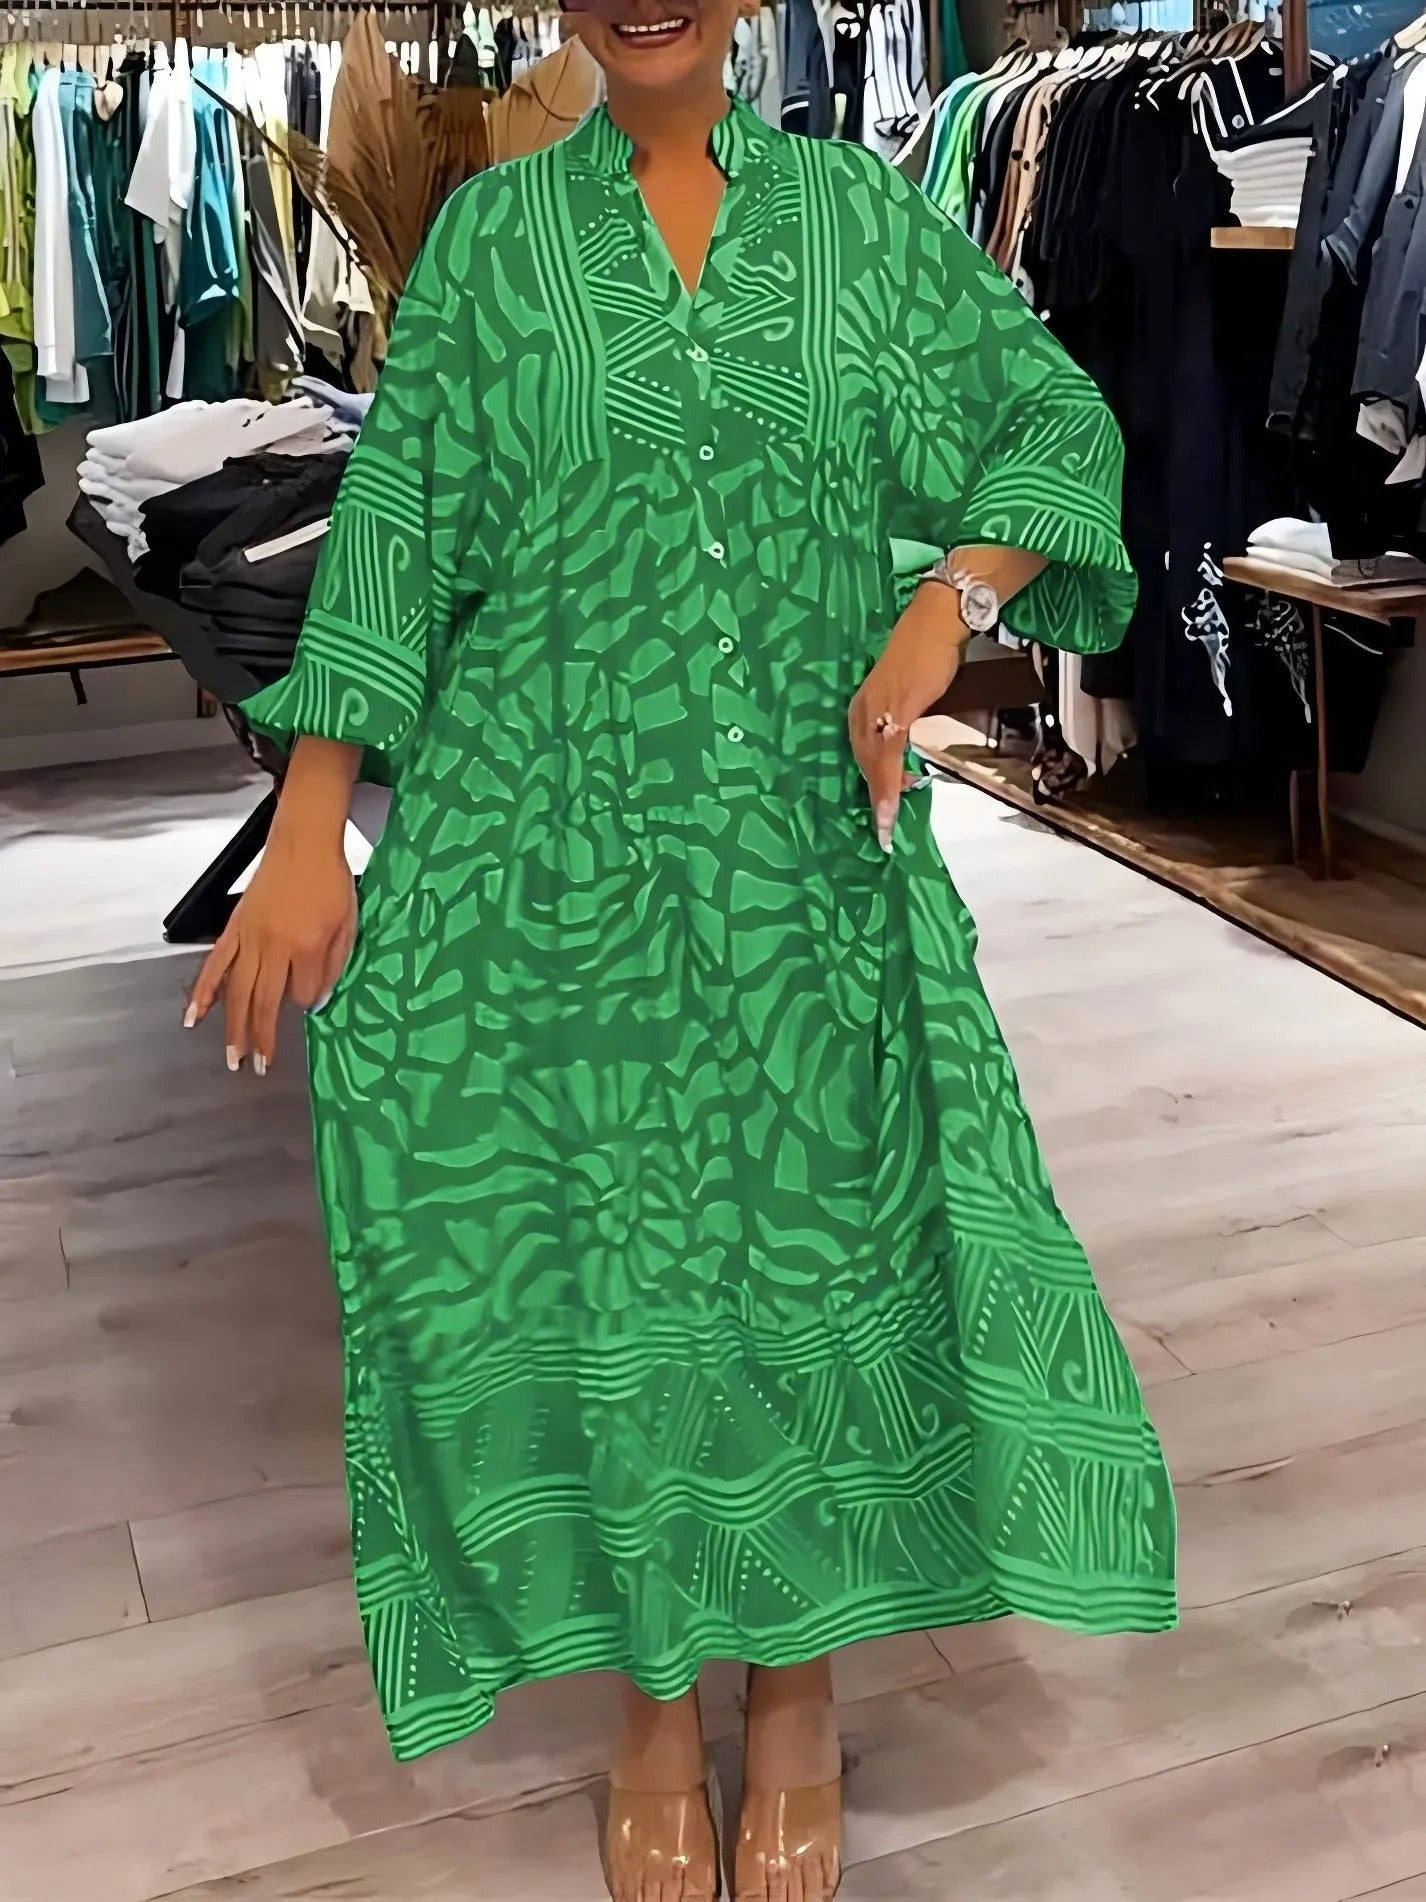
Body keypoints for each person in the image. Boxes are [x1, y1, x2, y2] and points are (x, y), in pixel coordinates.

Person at [186, 4, 1177, 1896]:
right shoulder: (494, 241)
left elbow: (1053, 424)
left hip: (800, 850)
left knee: (809, 1241)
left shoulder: (860, 224)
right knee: (603, 1258)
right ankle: (653, 1692)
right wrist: (307, 828)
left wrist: (949, 600)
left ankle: (793, 1680)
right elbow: (395, 532)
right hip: (545, 852)